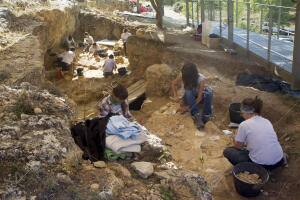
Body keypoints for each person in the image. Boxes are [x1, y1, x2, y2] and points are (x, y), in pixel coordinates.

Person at [223, 97, 287, 171]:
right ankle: (282, 159)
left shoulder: (244, 124)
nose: (242, 115)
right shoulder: (267, 121)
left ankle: (251, 170)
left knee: (228, 151)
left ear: (245, 112)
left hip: (260, 165)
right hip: (279, 160)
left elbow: (238, 147)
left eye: (242, 113)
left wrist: (235, 138)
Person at [172, 63, 213, 129]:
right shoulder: (182, 75)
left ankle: (206, 115)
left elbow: (199, 98)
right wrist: (175, 96)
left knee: (209, 91)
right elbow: (173, 84)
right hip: (187, 97)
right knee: (188, 89)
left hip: (196, 98)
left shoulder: (201, 79)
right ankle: (196, 115)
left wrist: (185, 108)